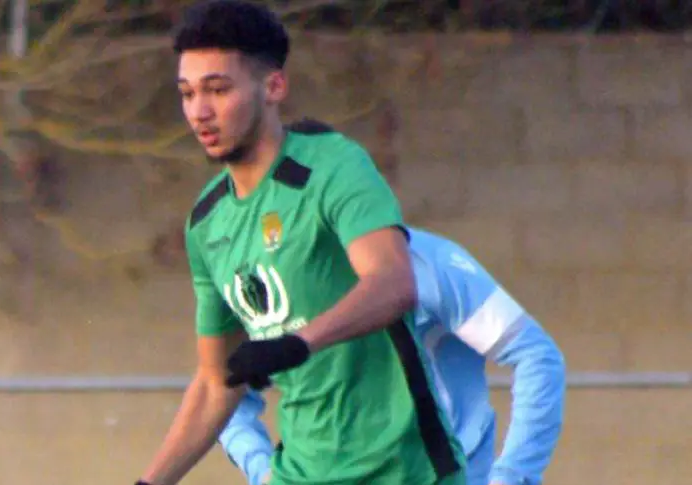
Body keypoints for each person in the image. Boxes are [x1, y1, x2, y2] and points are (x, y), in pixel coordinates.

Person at [133, 2, 466, 484]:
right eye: (187, 93)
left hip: (406, 472)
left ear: (274, 86)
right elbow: (214, 382)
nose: (199, 112)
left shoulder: (333, 166)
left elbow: (393, 283)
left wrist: (297, 344)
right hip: (301, 473)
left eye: (218, 89)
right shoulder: (207, 222)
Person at [219, 228, 567, 485]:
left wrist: (512, 475)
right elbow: (222, 392)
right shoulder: (277, 285)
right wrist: (262, 470)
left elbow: (536, 355)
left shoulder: (427, 261)